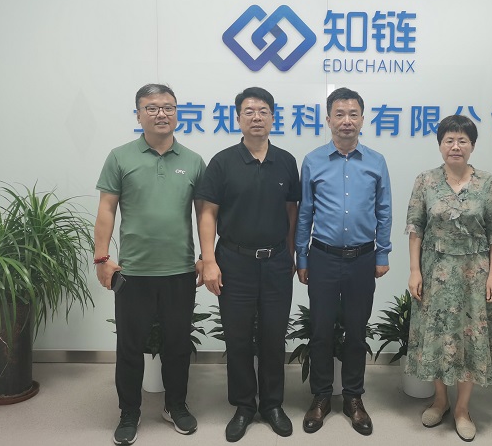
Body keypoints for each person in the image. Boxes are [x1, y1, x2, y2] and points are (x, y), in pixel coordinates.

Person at [94, 83, 206, 446]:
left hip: (180, 271)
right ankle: (129, 412)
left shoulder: (193, 161)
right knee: (129, 347)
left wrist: (206, 257)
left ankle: (176, 405)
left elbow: (204, 214)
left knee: (177, 344)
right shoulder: (120, 157)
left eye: (168, 107)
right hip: (133, 272)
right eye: (152, 108)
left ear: (177, 113)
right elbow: (106, 210)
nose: (162, 114)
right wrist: (101, 257)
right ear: (139, 114)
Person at [195, 87, 300, 443]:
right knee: (238, 337)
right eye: (249, 111)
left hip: (276, 262)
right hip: (234, 262)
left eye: (263, 111)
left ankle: (272, 404)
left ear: (273, 117)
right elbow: (207, 213)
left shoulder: (285, 161)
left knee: (273, 335)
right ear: (238, 118)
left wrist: (291, 254)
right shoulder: (223, 162)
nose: (257, 117)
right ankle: (243, 405)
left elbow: (291, 210)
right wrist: (209, 260)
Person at [295, 87, 392, 436]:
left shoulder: (376, 161)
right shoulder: (313, 161)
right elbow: (305, 212)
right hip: (322, 257)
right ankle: (321, 396)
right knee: (321, 331)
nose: (346, 121)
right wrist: (301, 256)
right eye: (339, 114)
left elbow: (384, 209)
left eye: (353, 114)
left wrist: (382, 252)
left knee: (356, 330)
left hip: (362, 259)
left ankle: (353, 397)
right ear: (328, 119)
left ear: (363, 120)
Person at [405, 114, 492, 442]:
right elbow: (415, 228)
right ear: (440, 145)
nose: (455, 146)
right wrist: (415, 270)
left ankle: (462, 408)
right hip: (435, 271)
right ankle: (440, 400)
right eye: (449, 140)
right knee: (436, 334)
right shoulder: (425, 181)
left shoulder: (487, 183)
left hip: (475, 274)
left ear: (472, 145)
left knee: (469, 336)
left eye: (462, 140)